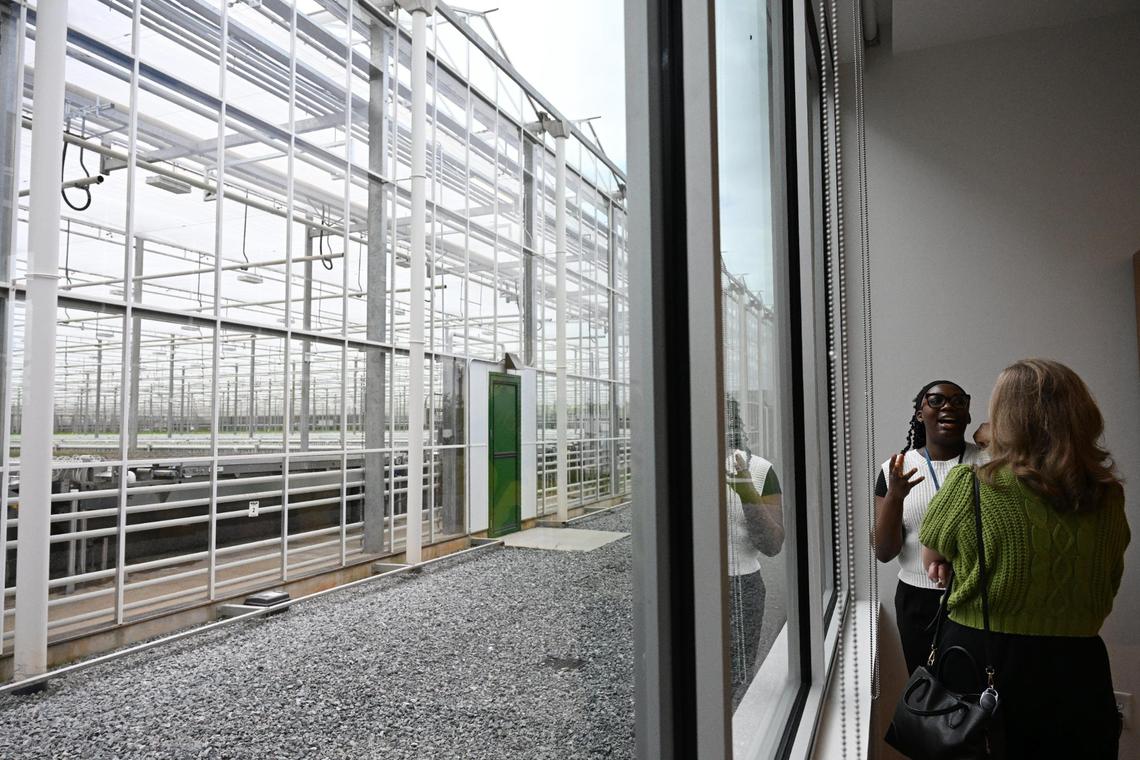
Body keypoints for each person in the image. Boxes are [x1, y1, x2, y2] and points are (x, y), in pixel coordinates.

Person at [921, 359, 1129, 759]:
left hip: (981, 667)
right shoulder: (1108, 496)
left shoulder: (971, 484)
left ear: (1006, 418)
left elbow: (932, 556)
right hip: (1078, 670)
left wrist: (959, 562)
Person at [874, 380, 987, 674]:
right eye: (935, 400)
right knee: (927, 691)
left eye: (958, 400)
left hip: (976, 596)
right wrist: (895, 496)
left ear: (968, 413)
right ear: (920, 414)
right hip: (917, 602)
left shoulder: (989, 462)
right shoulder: (894, 469)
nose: (948, 405)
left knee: (975, 692)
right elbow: (884, 552)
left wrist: (996, 436)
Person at [724, 396, 784, 708]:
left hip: (742, 586)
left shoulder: (760, 470)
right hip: (691, 587)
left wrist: (747, 489)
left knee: (735, 678)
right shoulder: (682, 465)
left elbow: (773, 544)